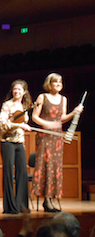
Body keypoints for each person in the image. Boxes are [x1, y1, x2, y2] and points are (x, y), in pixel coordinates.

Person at [31, 73, 83, 212]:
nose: (59, 84)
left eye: (60, 81)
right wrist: (47, 124)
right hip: (45, 135)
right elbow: (34, 117)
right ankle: (46, 199)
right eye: (55, 82)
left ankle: (52, 198)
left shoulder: (63, 99)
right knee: (46, 165)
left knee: (55, 166)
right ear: (49, 83)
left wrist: (74, 112)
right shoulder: (42, 97)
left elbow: (62, 118)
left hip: (57, 136)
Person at [0, 79, 32, 214]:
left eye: (19, 89)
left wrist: (23, 127)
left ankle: (21, 204)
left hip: (20, 142)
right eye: (15, 89)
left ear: (24, 92)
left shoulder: (25, 106)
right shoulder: (7, 105)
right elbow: (2, 123)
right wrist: (19, 125)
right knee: (8, 173)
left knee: (22, 172)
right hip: (7, 141)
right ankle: (10, 207)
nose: (17, 91)